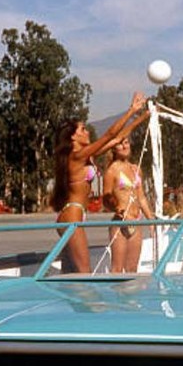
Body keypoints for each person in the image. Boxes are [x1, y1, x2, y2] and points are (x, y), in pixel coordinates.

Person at [50, 92, 149, 273]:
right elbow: (109, 134)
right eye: (83, 129)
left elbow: (117, 138)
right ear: (73, 137)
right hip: (72, 216)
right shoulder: (76, 156)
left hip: (75, 214)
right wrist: (131, 110)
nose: (87, 131)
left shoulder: (87, 156)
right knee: (84, 273)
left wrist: (143, 117)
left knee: (72, 275)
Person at [103, 137, 155, 273]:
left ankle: (131, 289)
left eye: (126, 143)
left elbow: (141, 197)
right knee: (117, 269)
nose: (125, 146)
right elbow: (105, 199)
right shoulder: (111, 171)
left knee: (132, 269)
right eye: (120, 144)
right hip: (120, 223)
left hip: (136, 221)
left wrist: (151, 220)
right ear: (114, 148)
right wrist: (116, 208)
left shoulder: (135, 169)